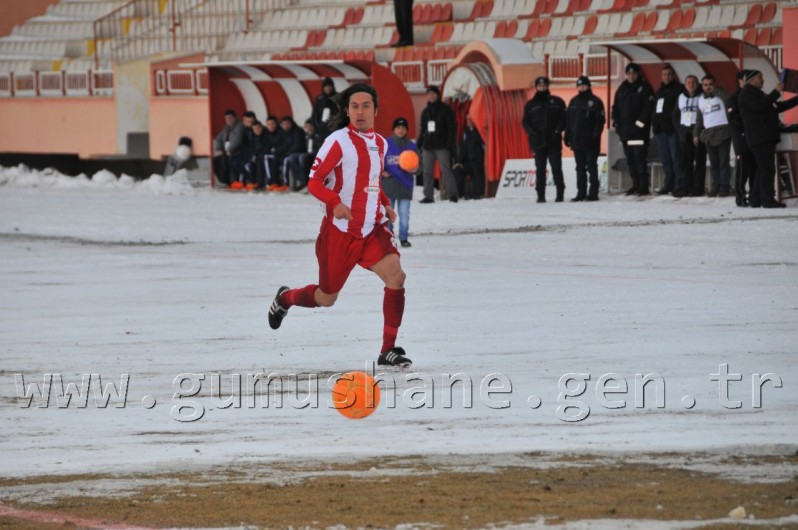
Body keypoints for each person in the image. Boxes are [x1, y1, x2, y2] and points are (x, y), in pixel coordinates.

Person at [267, 83, 412, 368]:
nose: (360, 112)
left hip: (371, 229)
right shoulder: (338, 141)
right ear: (347, 111)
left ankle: (388, 350)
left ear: (375, 110)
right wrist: (335, 203)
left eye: (366, 106)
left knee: (396, 277)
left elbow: (371, 181)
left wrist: (384, 204)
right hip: (339, 233)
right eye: (354, 107)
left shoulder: (381, 143)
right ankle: (286, 298)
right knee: (326, 298)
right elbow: (314, 181)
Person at [738, 69, 798, 208]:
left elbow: (778, 106)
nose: (762, 80)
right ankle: (768, 199)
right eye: (760, 78)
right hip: (759, 137)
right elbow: (760, 105)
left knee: (763, 168)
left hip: (765, 137)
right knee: (767, 169)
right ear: (751, 80)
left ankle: (755, 198)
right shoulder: (746, 94)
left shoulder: (759, 94)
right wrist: (776, 92)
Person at [612, 63, 655, 196]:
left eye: (633, 73)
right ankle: (635, 184)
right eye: (629, 73)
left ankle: (643, 186)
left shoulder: (645, 88)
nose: (631, 76)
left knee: (639, 160)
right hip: (625, 133)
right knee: (630, 160)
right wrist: (616, 124)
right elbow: (615, 108)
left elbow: (648, 109)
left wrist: (638, 125)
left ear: (638, 74)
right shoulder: (622, 88)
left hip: (638, 133)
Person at [523, 76, 567, 202]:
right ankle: (540, 196)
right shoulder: (530, 105)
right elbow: (525, 122)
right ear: (536, 87)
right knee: (540, 170)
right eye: (539, 86)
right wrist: (532, 133)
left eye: (544, 86)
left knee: (556, 168)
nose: (542, 88)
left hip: (553, 142)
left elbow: (564, 119)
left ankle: (560, 195)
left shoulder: (557, 102)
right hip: (538, 143)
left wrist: (558, 131)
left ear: (547, 86)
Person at [565, 75, 605, 201]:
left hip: (591, 142)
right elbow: (569, 121)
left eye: (584, 85)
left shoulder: (596, 101)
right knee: (580, 168)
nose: (581, 88)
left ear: (589, 86)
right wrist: (567, 135)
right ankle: (580, 193)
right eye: (579, 85)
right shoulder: (573, 101)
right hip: (577, 141)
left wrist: (595, 135)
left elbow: (600, 121)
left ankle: (593, 193)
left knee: (591, 166)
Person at [417, 85, 458, 203]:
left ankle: (452, 194)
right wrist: (419, 145)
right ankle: (428, 196)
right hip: (427, 145)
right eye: (429, 94)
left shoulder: (446, 109)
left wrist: (449, 144)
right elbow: (423, 129)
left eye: (433, 93)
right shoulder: (425, 111)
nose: (431, 96)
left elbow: (451, 128)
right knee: (427, 171)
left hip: (442, 145)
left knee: (446, 170)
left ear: (437, 95)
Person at [382, 117, 417, 247]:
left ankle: (403, 238)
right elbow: (376, 162)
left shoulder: (411, 146)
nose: (401, 130)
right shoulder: (386, 144)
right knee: (388, 215)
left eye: (403, 128)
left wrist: (416, 169)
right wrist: (381, 172)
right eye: (398, 127)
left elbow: (419, 167)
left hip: (405, 187)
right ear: (394, 129)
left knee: (404, 215)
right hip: (389, 186)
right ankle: (388, 237)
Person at [694, 75, 732, 197]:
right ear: (702, 86)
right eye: (705, 85)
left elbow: (729, 100)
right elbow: (699, 119)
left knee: (724, 162)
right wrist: (696, 134)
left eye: (710, 84)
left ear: (714, 84)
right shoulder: (700, 99)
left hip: (724, 131)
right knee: (714, 163)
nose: (708, 87)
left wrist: (716, 90)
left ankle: (724, 187)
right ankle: (715, 187)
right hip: (708, 134)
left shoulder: (721, 95)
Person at [652, 64, 684, 195]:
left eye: (669, 74)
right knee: (665, 160)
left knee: (676, 159)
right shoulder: (659, 91)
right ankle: (668, 184)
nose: (667, 77)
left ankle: (679, 184)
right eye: (664, 75)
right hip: (660, 131)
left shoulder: (679, 90)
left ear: (674, 75)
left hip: (673, 131)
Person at [727, 70, 755, 207]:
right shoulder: (733, 98)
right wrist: (748, 124)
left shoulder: (755, 95)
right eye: (746, 78)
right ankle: (740, 196)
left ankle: (755, 196)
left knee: (755, 169)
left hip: (755, 139)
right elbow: (734, 119)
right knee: (743, 169)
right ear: (739, 81)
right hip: (741, 140)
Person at [674, 75, 705, 197]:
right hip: (685, 132)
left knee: (699, 161)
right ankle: (686, 186)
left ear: (697, 84)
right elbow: (675, 114)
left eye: (693, 82)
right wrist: (679, 129)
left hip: (698, 132)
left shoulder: (701, 96)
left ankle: (698, 188)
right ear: (685, 84)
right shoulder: (681, 97)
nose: (691, 85)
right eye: (688, 83)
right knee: (686, 162)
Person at [453, 114, 486, 200]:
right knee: (457, 170)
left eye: (470, 119)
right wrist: (459, 162)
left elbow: (483, 146)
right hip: (467, 162)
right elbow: (463, 148)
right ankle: (459, 194)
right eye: (467, 119)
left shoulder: (479, 132)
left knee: (477, 171)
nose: (468, 121)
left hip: (477, 160)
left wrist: (474, 130)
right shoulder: (466, 132)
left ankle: (479, 193)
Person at [212, 109, 245, 187]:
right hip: (226, 151)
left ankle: (233, 181)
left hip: (238, 151)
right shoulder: (227, 127)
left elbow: (237, 140)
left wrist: (228, 150)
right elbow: (218, 138)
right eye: (226, 118)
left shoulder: (240, 126)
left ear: (235, 118)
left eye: (230, 118)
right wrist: (218, 148)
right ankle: (224, 180)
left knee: (230, 160)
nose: (228, 120)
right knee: (216, 160)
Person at [280, 116, 307, 191]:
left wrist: (287, 152)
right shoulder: (283, 133)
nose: (286, 126)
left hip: (299, 153)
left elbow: (298, 146)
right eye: (284, 124)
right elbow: (282, 145)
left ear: (292, 123)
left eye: (288, 124)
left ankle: (297, 181)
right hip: (289, 153)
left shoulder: (298, 131)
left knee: (290, 159)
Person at [263, 116, 287, 191]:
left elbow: (284, 145)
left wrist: (274, 150)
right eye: (268, 124)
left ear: (276, 124)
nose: (271, 126)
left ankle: (273, 182)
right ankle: (272, 182)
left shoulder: (281, 133)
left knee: (266, 158)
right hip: (273, 154)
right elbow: (265, 146)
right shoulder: (266, 134)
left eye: (272, 123)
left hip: (282, 154)